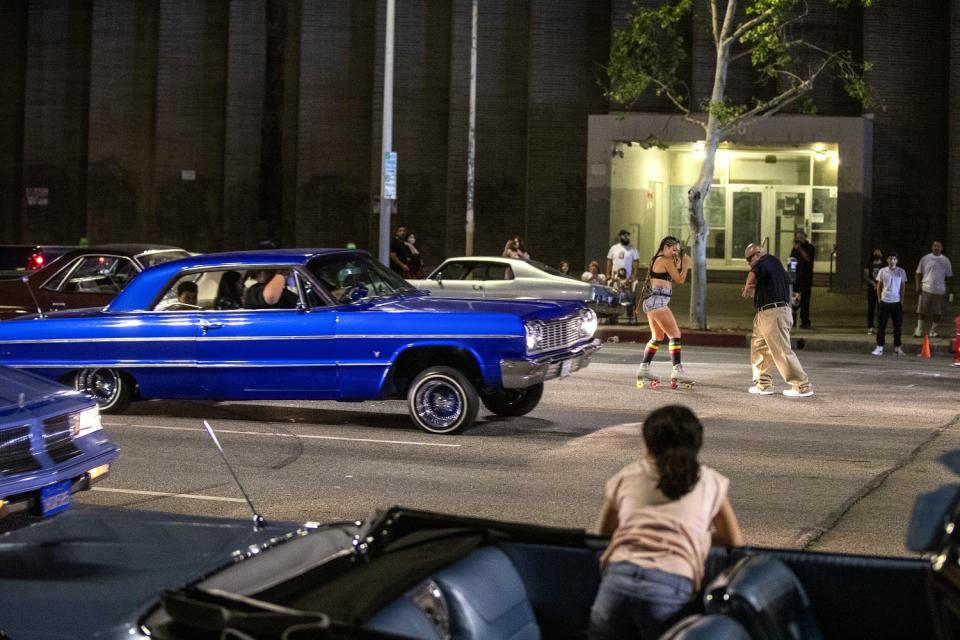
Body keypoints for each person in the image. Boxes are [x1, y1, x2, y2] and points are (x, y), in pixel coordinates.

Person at [588, 405, 743, 640]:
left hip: (617, 580)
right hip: (670, 585)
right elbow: (734, 542)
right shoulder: (709, 480)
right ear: (696, 445)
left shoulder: (628, 475)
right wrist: (692, 535)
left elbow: (603, 534)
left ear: (647, 444)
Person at [741, 242, 813, 397]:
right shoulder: (771, 270)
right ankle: (763, 384)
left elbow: (754, 272)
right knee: (759, 348)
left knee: (781, 351)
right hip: (765, 313)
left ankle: (802, 386)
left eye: (749, 259)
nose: (749, 263)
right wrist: (753, 288)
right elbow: (765, 287)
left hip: (774, 313)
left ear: (758, 253)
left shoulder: (767, 260)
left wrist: (747, 285)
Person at [636, 236, 693, 388]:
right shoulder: (665, 261)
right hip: (658, 302)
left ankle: (644, 368)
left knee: (657, 337)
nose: (675, 253)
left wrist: (679, 262)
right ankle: (677, 369)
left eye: (678, 251)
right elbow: (680, 279)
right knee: (675, 335)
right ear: (666, 247)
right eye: (674, 250)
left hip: (653, 301)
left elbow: (670, 277)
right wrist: (686, 264)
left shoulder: (659, 259)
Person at [913, 240, 954, 338]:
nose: (936, 248)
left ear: (941, 248)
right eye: (935, 246)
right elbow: (918, 273)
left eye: (938, 246)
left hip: (940, 290)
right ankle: (919, 329)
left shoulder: (945, 260)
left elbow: (949, 276)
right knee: (921, 310)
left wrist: (950, 289)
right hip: (926, 288)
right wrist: (918, 286)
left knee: (937, 312)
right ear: (932, 247)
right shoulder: (925, 258)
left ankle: (933, 330)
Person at [873, 251, 907, 356]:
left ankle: (897, 348)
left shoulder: (901, 271)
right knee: (881, 326)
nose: (892, 261)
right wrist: (879, 299)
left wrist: (901, 300)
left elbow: (902, 287)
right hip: (885, 301)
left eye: (894, 259)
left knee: (897, 327)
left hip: (896, 302)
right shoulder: (883, 271)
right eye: (890, 258)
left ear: (897, 260)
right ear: (887, 260)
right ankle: (879, 347)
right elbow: (879, 285)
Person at [789, 229, 815, 329]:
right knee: (795, 300)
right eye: (797, 238)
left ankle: (805, 321)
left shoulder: (810, 247)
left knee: (805, 301)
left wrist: (801, 250)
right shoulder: (794, 249)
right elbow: (792, 262)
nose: (799, 240)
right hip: (796, 278)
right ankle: (793, 320)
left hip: (806, 278)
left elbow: (808, 259)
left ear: (805, 237)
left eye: (801, 237)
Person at [863, 248, 884, 334]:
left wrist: (879, 285)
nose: (877, 253)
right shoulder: (869, 264)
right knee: (871, 308)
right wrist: (873, 284)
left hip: (882, 289)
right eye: (875, 252)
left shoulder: (884, 265)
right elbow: (866, 276)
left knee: (881, 308)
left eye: (879, 252)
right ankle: (870, 327)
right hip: (872, 289)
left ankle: (880, 327)